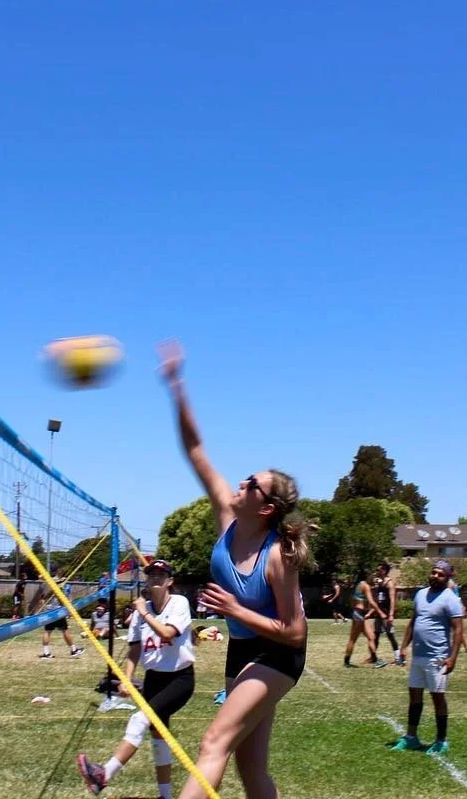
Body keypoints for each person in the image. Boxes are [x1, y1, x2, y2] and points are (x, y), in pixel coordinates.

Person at [158, 340, 313, 799]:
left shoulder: (278, 555)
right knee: (251, 769)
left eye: (252, 485)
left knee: (213, 741)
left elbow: (295, 632)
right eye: (246, 479)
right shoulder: (228, 519)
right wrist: (177, 386)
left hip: (279, 656)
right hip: (243, 653)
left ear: (265, 509)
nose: (241, 483)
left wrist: (234, 609)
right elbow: (196, 449)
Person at [77, 559, 196, 798]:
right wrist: (126, 678)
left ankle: (104, 774)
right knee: (159, 739)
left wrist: (143, 612)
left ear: (169, 581)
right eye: (152, 574)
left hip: (179, 679)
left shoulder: (179, 603)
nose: (156, 578)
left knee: (138, 720)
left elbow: (168, 634)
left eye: (161, 575)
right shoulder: (139, 614)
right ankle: (166, 795)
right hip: (153, 679)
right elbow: (134, 649)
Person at [392, 561, 465, 756]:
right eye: (433, 572)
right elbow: (413, 621)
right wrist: (403, 647)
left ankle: (441, 741)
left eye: (440, 574)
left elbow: (458, 629)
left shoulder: (450, 599)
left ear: (447, 577)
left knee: (437, 697)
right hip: (419, 655)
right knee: (414, 695)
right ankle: (411, 737)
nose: (435, 576)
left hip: (438, 657)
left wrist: (453, 658)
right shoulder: (420, 594)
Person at [345, 572, 386, 668]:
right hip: (359, 614)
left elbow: (353, 600)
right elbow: (372, 602)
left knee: (371, 637)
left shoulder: (360, 585)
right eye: (374, 578)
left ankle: (375, 660)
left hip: (358, 613)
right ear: (368, 576)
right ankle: (346, 662)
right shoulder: (366, 586)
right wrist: (381, 613)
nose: (375, 580)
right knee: (353, 639)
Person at [39, 579, 84, 658]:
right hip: (57, 612)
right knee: (65, 630)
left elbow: (43, 598)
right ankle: (73, 650)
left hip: (49, 612)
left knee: (48, 631)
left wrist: (45, 609)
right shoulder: (56, 590)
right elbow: (61, 601)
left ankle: (46, 652)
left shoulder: (48, 588)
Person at [373, 563, 404, 665]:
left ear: (384, 571)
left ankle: (398, 658)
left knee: (390, 635)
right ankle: (373, 657)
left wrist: (391, 615)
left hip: (386, 613)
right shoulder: (379, 582)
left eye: (379, 570)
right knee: (376, 634)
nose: (377, 572)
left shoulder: (389, 583)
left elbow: (392, 600)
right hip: (379, 612)